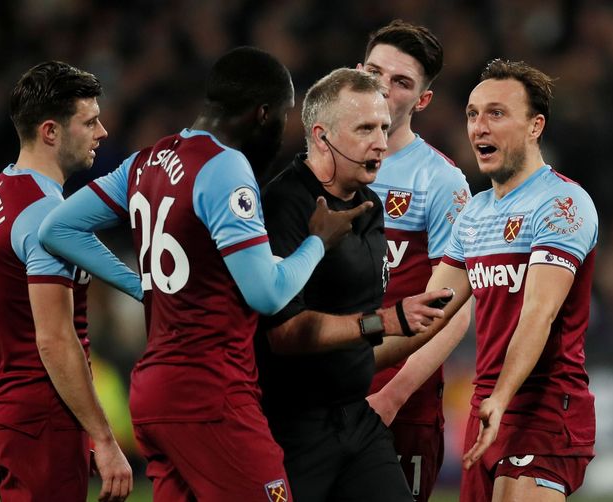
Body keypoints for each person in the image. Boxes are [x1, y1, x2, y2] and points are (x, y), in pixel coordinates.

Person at [39, 47, 372, 502]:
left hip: (154, 391)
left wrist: (142, 285)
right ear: (262, 113)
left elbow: (57, 228)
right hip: (210, 393)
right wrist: (318, 241)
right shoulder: (225, 166)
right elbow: (268, 295)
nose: (284, 128)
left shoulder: (146, 161)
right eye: (284, 114)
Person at [256, 67, 456, 502]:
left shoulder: (370, 204)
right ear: (321, 135)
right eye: (366, 128)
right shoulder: (284, 204)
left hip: (356, 419)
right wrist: (384, 321)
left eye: (384, 127)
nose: (381, 142)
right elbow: (284, 336)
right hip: (291, 427)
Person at [430, 59, 598, 501]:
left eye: (497, 113)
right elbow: (427, 310)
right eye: (472, 114)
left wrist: (502, 399)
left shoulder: (562, 203)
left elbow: (538, 315)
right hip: (485, 406)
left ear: (534, 126)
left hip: (542, 405)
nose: (479, 127)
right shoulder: (474, 213)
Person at [0, 61, 132, 502]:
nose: (103, 132)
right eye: (89, 121)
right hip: (43, 417)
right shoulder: (45, 218)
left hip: (11, 412)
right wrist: (106, 439)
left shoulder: (1, 194)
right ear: (51, 132)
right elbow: (54, 338)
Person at [357, 20, 472, 501]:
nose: (382, 87)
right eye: (374, 72)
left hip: (397, 401)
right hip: (320, 392)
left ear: (421, 101)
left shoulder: (441, 182)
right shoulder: (317, 164)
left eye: (401, 81)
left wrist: (393, 395)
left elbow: (457, 309)